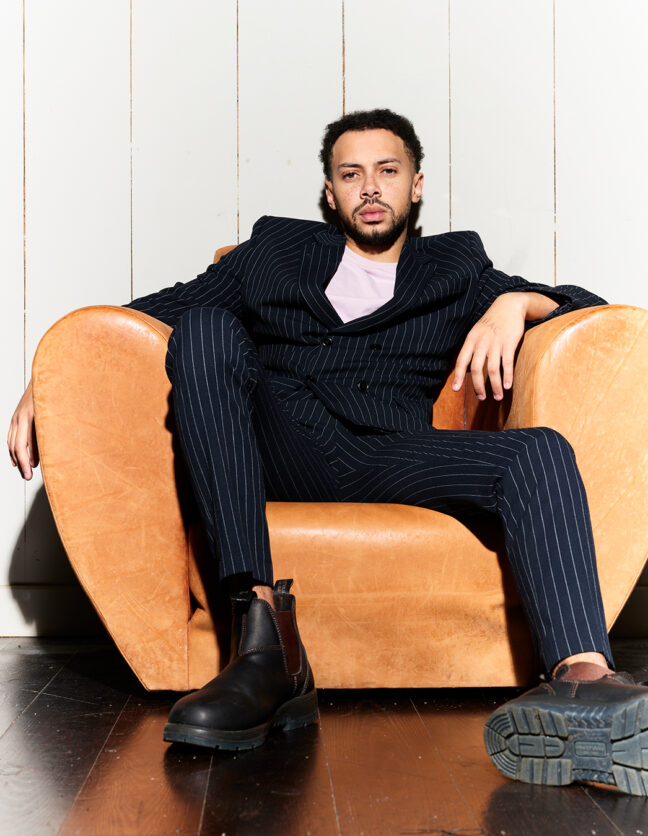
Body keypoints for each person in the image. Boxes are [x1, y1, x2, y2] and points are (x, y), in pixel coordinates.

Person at [8, 108, 648, 795]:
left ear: (416, 185)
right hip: (282, 444)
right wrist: (57, 377)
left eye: (387, 171)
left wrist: (517, 304)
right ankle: (264, 645)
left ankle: (585, 683)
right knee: (206, 329)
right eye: (351, 174)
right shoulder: (274, 252)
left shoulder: (456, 266)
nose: (370, 187)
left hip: (390, 452)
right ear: (330, 192)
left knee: (539, 451)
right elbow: (164, 308)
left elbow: (587, 305)